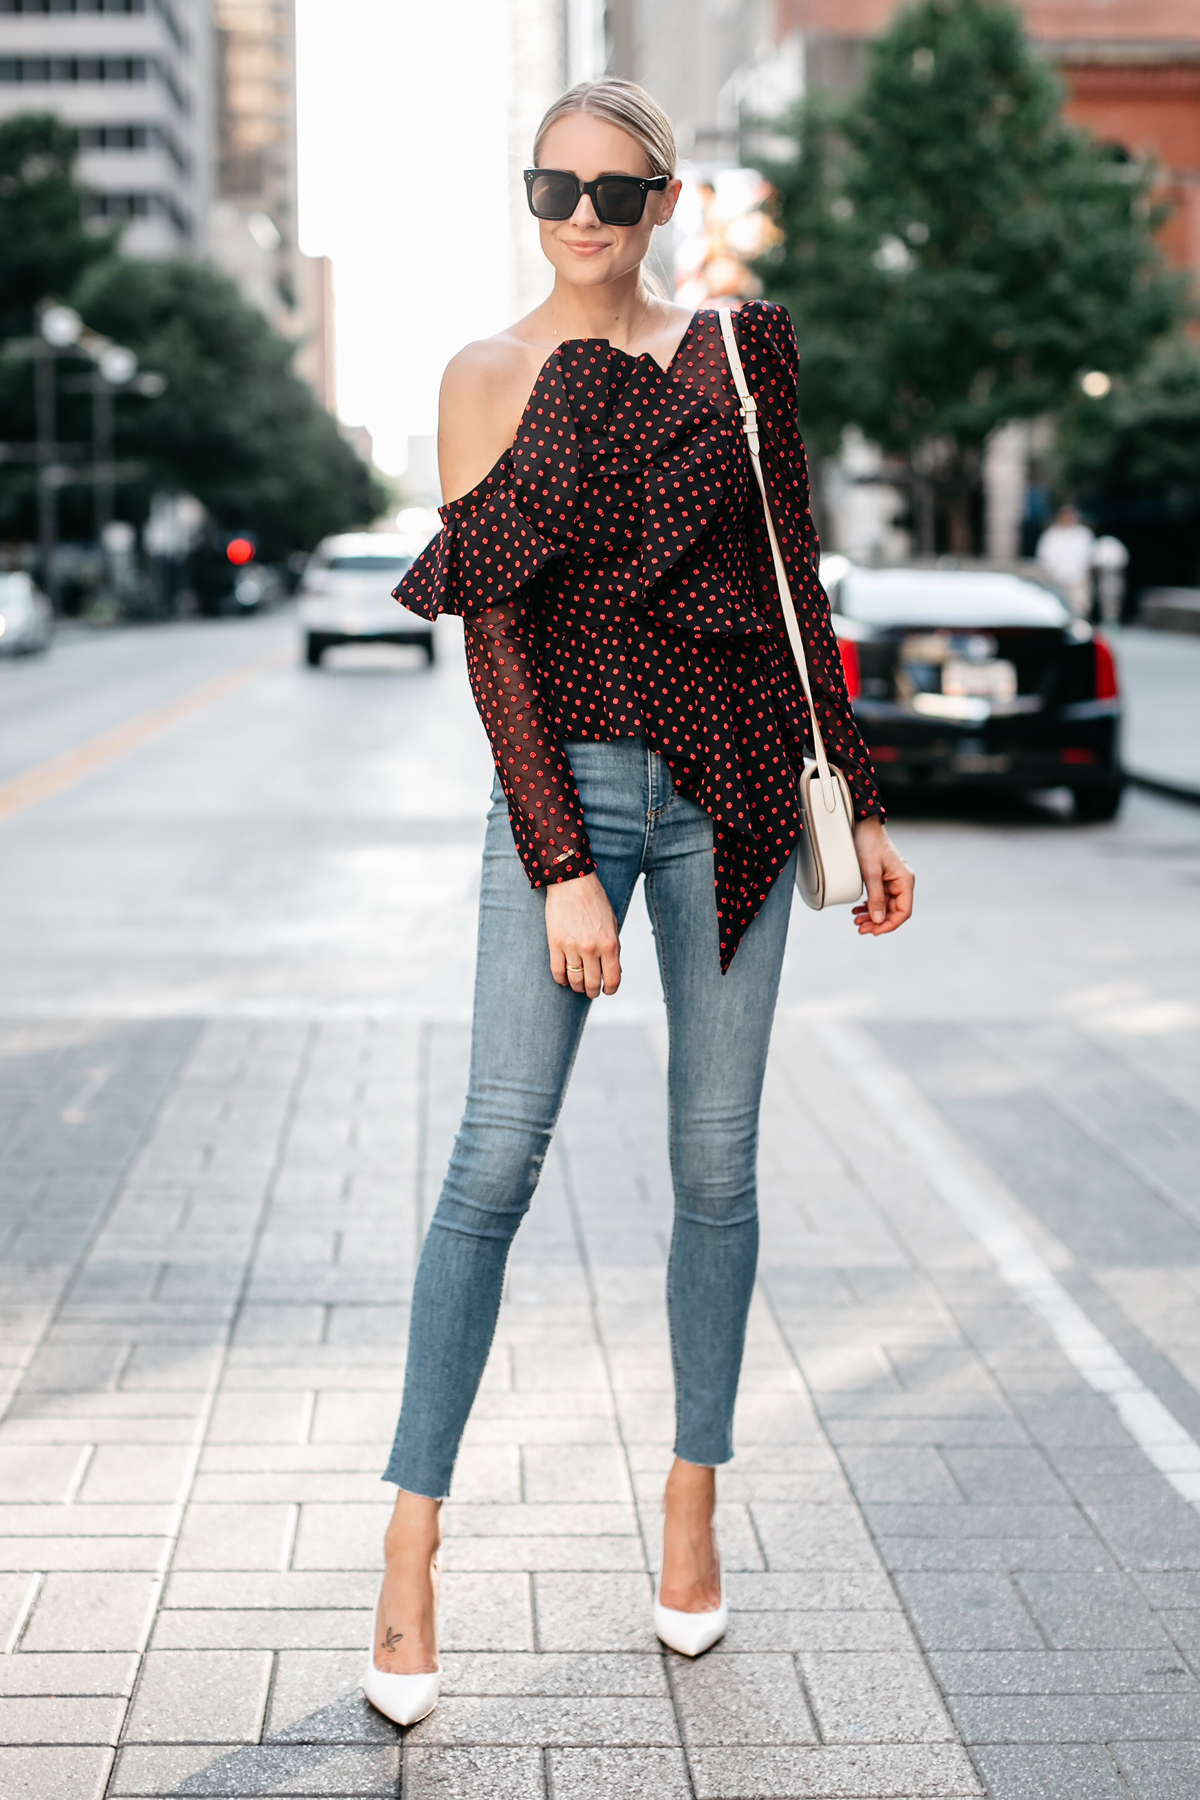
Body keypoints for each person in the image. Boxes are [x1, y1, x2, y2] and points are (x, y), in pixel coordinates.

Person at [364, 78, 915, 1727]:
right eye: (558, 189)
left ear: (666, 202)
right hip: (578, 792)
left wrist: (864, 805)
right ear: (529, 197)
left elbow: (794, 580)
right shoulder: (485, 375)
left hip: (740, 785)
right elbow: (500, 641)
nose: (586, 220)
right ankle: (409, 1545)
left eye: (618, 193)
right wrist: (556, 867)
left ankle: (691, 1498)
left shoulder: (740, 360)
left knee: (718, 1167)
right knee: (492, 1159)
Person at [1036, 503, 1095, 618]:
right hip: (1056, 582)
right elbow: (1043, 559)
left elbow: (1090, 560)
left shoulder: (1084, 535)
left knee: (1080, 611)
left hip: (1078, 582)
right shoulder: (1051, 535)